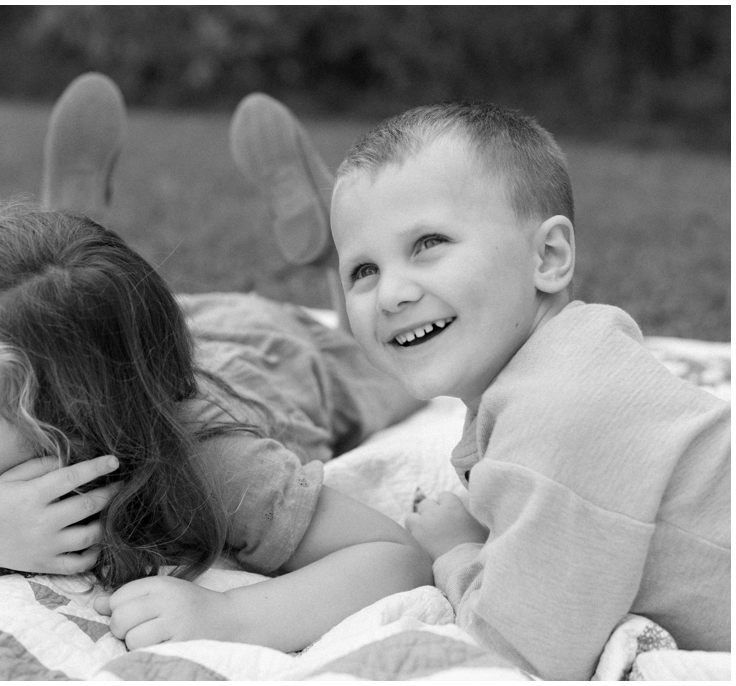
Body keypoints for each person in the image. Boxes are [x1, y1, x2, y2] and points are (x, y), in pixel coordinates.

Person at [0, 73, 432, 654]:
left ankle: (337, 253)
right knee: (80, 317)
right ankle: (65, 257)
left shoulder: (209, 462)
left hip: (279, 356)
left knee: (380, 356)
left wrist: (231, 619)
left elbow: (393, 557)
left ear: (65, 432)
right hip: (153, 337)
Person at [306, 99, 730, 679]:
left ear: (548, 257)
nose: (391, 294)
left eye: (428, 243)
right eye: (362, 270)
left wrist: (457, 552)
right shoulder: (569, 362)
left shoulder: (558, 412)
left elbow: (523, 650)